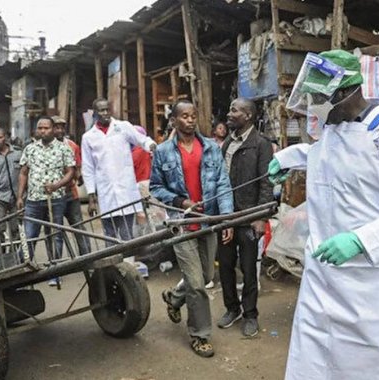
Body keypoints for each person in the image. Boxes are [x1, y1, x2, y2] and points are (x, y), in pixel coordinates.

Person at [268, 50, 379, 380]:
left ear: (348, 92)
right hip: (323, 281)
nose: (315, 107)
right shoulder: (332, 132)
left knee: (369, 368)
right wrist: (289, 158)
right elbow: (333, 158)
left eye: (321, 98)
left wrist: (360, 240)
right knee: (314, 363)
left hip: (373, 289)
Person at [150, 99, 234, 358]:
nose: (190, 119)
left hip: (207, 222)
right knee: (197, 284)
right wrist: (181, 201)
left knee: (207, 275)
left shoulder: (210, 147)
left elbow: (222, 183)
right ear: (174, 121)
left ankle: (175, 297)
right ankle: (200, 335)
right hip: (181, 224)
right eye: (184, 116)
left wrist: (227, 218)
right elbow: (155, 187)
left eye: (193, 115)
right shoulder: (163, 152)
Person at [217, 98, 274, 337]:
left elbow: (267, 181)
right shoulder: (227, 143)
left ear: (248, 115)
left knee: (249, 269)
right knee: (225, 266)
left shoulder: (261, 144)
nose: (229, 114)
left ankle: (250, 314)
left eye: (234, 110)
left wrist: (261, 216)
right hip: (227, 216)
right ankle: (233, 308)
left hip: (250, 216)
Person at [81, 98, 156, 243]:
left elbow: (142, 139)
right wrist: (91, 197)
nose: (105, 113)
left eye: (107, 109)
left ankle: (128, 263)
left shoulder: (123, 127)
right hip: (105, 192)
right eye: (101, 110)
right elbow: (88, 168)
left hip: (126, 190)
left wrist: (151, 145)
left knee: (127, 233)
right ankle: (112, 264)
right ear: (95, 114)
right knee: (109, 234)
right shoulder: (88, 137)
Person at [17, 117, 75, 285]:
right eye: (40, 128)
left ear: (53, 129)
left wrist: (57, 185)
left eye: (46, 128)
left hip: (55, 199)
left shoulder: (64, 149)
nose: (43, 131)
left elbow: (70, 172)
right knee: (29, 236)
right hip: (33, 200)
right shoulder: (30, 149)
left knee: (55, 235)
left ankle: (55, 272)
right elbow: (23, 173)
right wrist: (20, 196)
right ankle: (23, 272)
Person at [53, 116, 90, 255]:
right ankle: (56, 264)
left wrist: (79, 176)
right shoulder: (43, 147)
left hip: (70, 194)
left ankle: (87, 257)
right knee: (55, 230)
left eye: (62, 127)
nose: (60, 130)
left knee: (78, 226)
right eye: (57, 127)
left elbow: (78, 166)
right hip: (54, 195)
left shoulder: (72, 146)